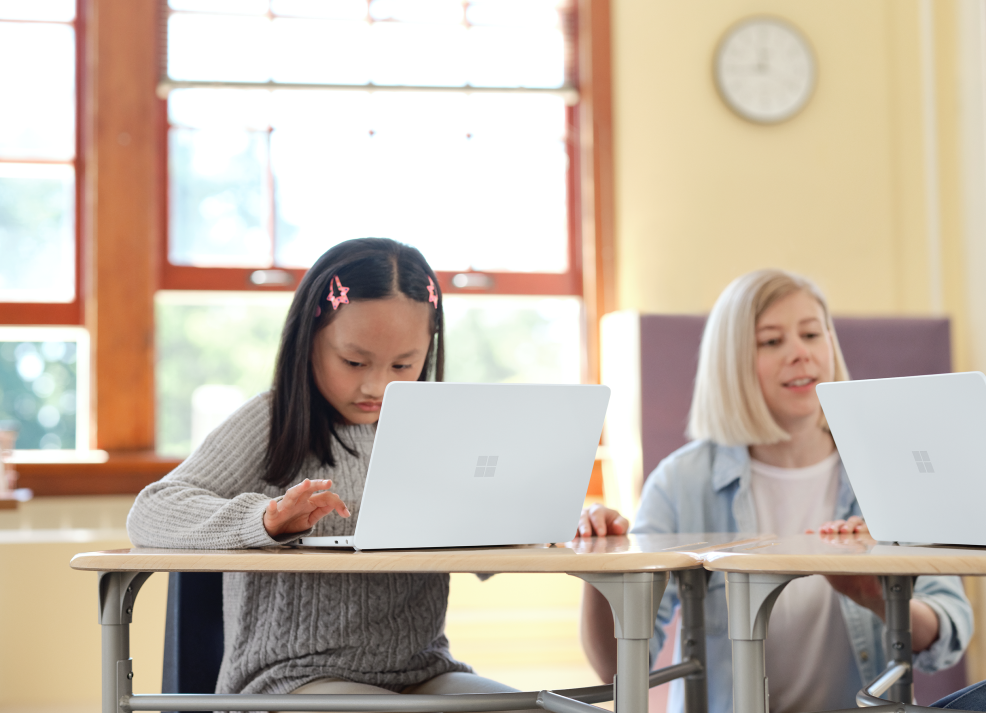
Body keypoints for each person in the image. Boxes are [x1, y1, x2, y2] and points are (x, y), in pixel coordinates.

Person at [128, 238, 516, 699]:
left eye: (403, 363)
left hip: (422, 671)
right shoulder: (273, 421)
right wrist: (264, 521)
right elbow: (150, 511)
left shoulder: (437, 431)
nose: (377, 384)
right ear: (309, 340)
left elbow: (489, 547)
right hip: (290, 679)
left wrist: (558, 522)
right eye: (354, 362)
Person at [578, 269, 973, 713]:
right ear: (731, 363)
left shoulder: (892, 469)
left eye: (811, 333)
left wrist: (878, 597)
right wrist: (601, 569)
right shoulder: (681, 482)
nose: (800, 354)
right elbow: (620, 667)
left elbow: (950, 631)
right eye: (771, 341)